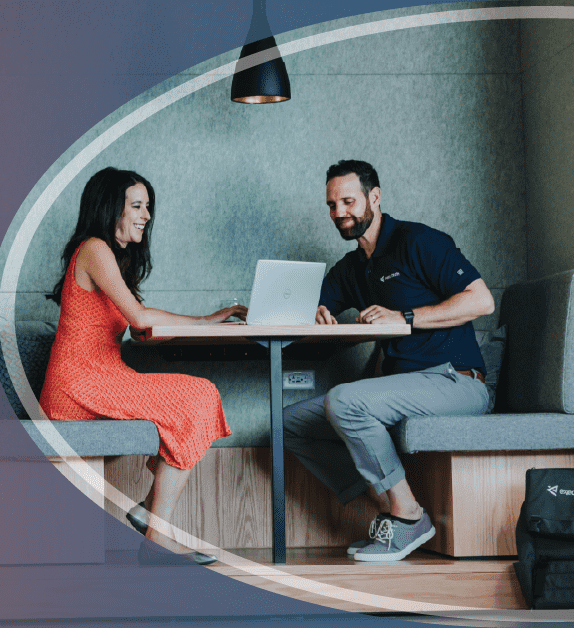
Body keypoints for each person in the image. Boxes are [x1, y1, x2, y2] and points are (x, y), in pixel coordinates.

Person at [283, 160, 495, 562]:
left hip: (456, 382)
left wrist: (405, 317)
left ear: (374, 197)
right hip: (403, 389)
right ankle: (391, 507)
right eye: (331, 205)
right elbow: (309, 304)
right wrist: (315, 310)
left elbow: (482, 300)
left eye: (348, 201)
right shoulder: (352, 268)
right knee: (289, 424)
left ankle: (410, 516)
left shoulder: (418, 241)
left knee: (344, 401)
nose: (339, 212)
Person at [39, 167, 246, 566]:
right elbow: (140, 318)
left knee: (194, 400)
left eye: (147, 207)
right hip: (79, 383)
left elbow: (140, 324)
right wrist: (206, 320)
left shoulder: (112, 258)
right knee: (198, 396)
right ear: (110, 208)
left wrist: (207, 321)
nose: (147, 216)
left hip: (103, 377)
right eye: (137, 206)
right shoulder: (94, 249)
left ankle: (150, 516)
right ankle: (156, 535)